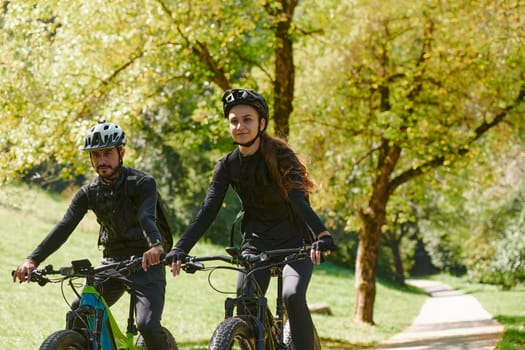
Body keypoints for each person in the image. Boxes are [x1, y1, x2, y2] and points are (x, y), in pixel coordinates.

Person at [166, 88, 336, 349]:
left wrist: (321, 235)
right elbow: (208, 210)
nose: (240, 126)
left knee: (292, 295)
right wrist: (180, 249)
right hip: (256, 243)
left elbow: (297, 200)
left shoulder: (280, 156)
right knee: (245, 303)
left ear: (262, 123)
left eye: (247, 119)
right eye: (234, 121)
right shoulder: (227, 165)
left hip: (296, 243)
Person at [12, 121, 171, 349]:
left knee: (147, 325)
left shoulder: (143, 183)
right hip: (111, 263)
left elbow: (147, 217)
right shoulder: (89, 192)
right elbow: (63, 228)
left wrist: (155, 245)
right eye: (96, 155)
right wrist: (32, 259)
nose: (101, 160)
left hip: (146, 261)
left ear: (121, 152)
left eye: (107, 153)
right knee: (79, 314)